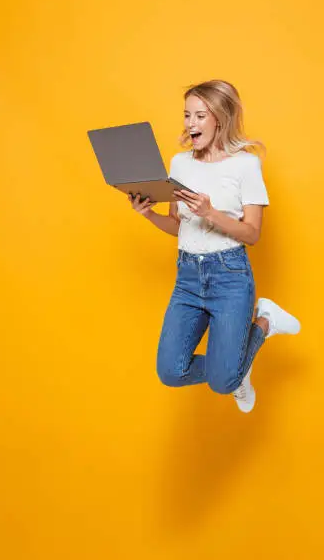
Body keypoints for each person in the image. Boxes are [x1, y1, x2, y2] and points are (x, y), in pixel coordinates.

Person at [128, 80, 300, 413]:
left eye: (199, 116)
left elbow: (252, 234)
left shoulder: (245, 166)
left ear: (220, 118)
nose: (190, 124)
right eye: (186, 115)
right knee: (171, 372)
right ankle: (237, 368)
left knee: (224, 382)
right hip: (188, 278)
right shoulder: (180, 164)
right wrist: (148, 215)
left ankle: (265, 321)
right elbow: (178, 226)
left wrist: (210, 213)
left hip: (230, 277)